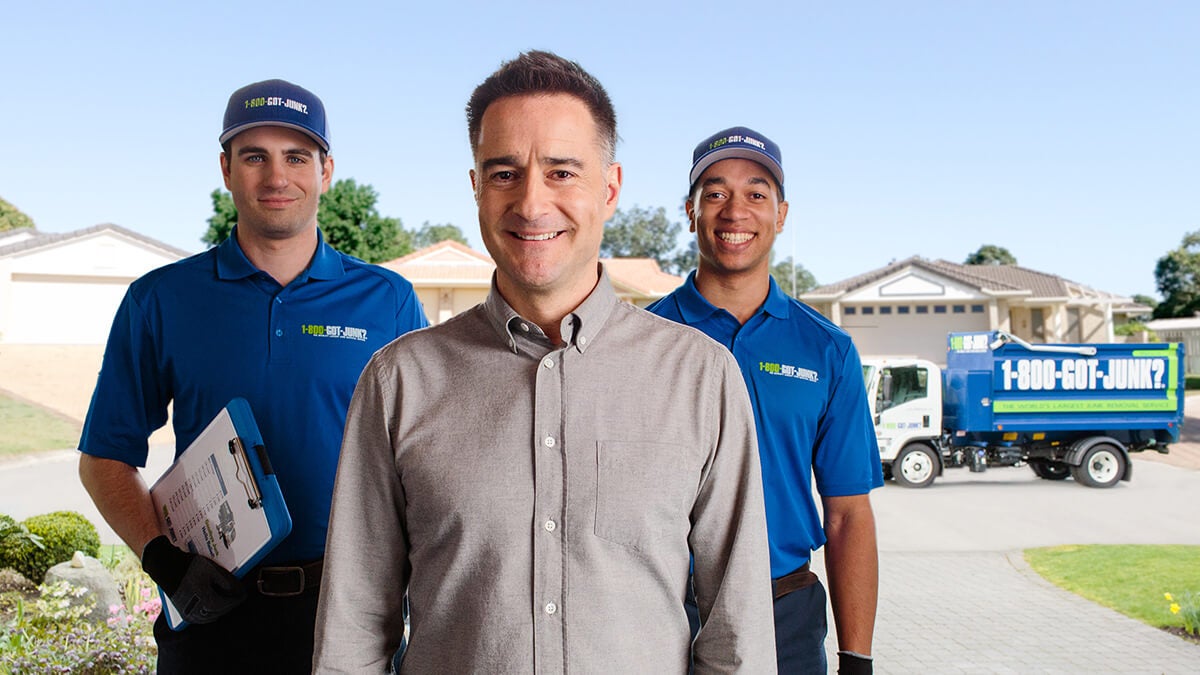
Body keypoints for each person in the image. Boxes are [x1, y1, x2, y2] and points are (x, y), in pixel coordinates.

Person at [314, 51, 775, 673]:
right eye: (505, 172)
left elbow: (736, 634)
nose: (531, 203)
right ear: (476, 186)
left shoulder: (702, 377)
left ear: (609, 188)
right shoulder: (398, 383)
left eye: (562, 172)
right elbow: (353, 625)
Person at [77, 78, 428, 673]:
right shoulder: (161, 300)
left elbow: (423, 451)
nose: (276, 177)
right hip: (211, 610)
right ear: (226, 169)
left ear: (326, 170)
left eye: (296, 157)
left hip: (346, 608)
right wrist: (162, 559)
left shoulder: (386, 300)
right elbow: (104, 457)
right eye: (254, 157)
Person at [647, 127, 884, 674]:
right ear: (690, 211)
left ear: (781, 214)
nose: (736, 211)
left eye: (756, 194)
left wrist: (858, 659)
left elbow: (849, 514)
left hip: (783, 610)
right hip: (653, 607)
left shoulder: (827, 351)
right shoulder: (639, 340)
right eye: (715, 193)